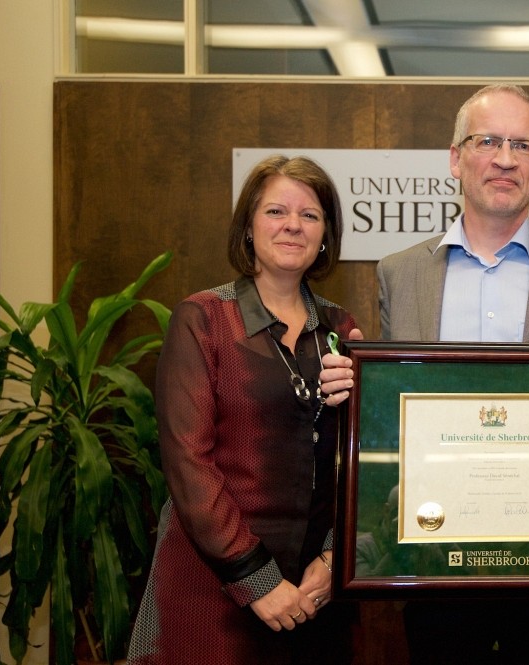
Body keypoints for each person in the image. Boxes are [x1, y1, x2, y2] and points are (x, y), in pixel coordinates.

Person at [375, 84, 529, 665]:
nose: (506, 158)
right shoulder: (400, 275)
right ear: (456, 159)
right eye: (488, 141)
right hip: (436, 563)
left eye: (523, 145)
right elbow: (395, 416)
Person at [128, 155, 362, 665]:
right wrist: (258, 580)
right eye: (276, 211)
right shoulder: (204, 319)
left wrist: (331, 558)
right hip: (214, 585)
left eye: (310, 215)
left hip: (315, 591)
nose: (293, 226)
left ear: (326, 235)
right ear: (249, 227)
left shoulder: (343, 331)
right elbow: (189, 464)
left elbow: (361, 459)